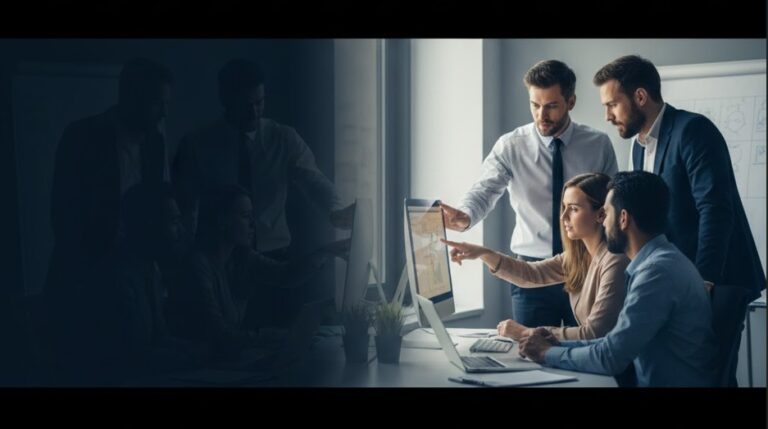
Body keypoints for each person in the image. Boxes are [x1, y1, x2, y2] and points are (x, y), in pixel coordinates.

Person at [593, 55, 765, 385]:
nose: (608, 115)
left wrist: (703, 281)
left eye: (613, 104)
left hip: (718, 280)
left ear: (640, 97)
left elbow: (715, 208)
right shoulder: (639, 147)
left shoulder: (693, 130)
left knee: (712, 377)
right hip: (679, 281)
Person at [440, 60, 618, 329]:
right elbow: (484, 190)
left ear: (571, 101)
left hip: (586, 263)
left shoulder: (598, 144)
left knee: (587, 349)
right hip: (530, 273)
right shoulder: (511, 145)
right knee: (531, 356)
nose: (541, 115)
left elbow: (611, 207)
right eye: (535, 105)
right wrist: (464, 217)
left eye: (551, 106)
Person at [519, 171, 717, 387]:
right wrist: (557, 345)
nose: (603, 223)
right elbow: (612, 343)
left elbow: (610, 357)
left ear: (623, 218)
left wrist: (546, 353)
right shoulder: (660, 261)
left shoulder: (656, 273)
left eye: (606, 213)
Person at [46, 58, 172, 383]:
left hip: (135, 271)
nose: (164, 112)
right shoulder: (83, 136)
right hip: (86, 274)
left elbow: (153, 206)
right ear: (131, 97)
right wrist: (89, 263)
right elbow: (64, 211)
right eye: (157, 102)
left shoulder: (155, 142)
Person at [173, 58, 352, 261]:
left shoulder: (284, 138)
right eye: (245, 105)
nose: (254, 112)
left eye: (259, 103)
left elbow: (313, 180)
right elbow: (187, 206)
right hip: (219, 257)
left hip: (275, 254)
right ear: (225, 99)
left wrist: (335, 211)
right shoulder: (198, 145)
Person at [443, 173, 628, 341]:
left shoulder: (614, 261)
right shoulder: (578, 256)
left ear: (601, 214)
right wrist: (483, 253)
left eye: (573, 209)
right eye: (564, 208)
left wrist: (527, 333)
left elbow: (594, 333)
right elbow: (530, 273)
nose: (563, 216)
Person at [82, 182, 208, 385]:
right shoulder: (116, 277)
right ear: (149, 225)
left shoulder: (150, 270)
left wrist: (202, 350)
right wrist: (199, 357)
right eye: (174, 221)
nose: (182, 231)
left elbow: (160, 339)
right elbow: (134, 357)